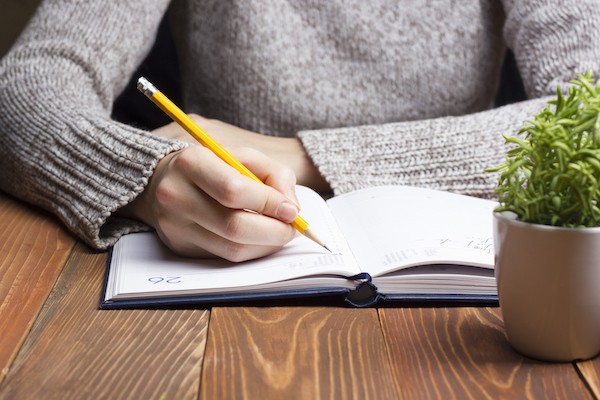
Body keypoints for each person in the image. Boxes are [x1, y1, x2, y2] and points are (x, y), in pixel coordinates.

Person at [0, 0, 598, 261]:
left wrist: (297, 156)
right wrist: (140, 175)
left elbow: (589, 115)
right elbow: (26, 83)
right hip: (214, 284)